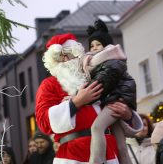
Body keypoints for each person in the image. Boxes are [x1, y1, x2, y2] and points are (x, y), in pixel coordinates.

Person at [35, 33, 142, 163]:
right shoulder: (49, 85)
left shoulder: (95, 75)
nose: (64, 59)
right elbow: (43, 122)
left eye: (68, 53)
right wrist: (76, 102)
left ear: (78, 54)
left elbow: (117, 100)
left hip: (110, 155)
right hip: (73, 156)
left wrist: (128, 115)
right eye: (58, 57)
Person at [85, 19, 142, 164]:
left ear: (107, 45)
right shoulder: (104, 62)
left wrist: (79, 97)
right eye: (92, 45)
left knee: (97, 128)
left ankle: (96, 161)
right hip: (114, 100)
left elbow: (100, 85)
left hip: (115, 100)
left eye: (98, 44)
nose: (95, 48)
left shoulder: (112, 61)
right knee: (121, 145)